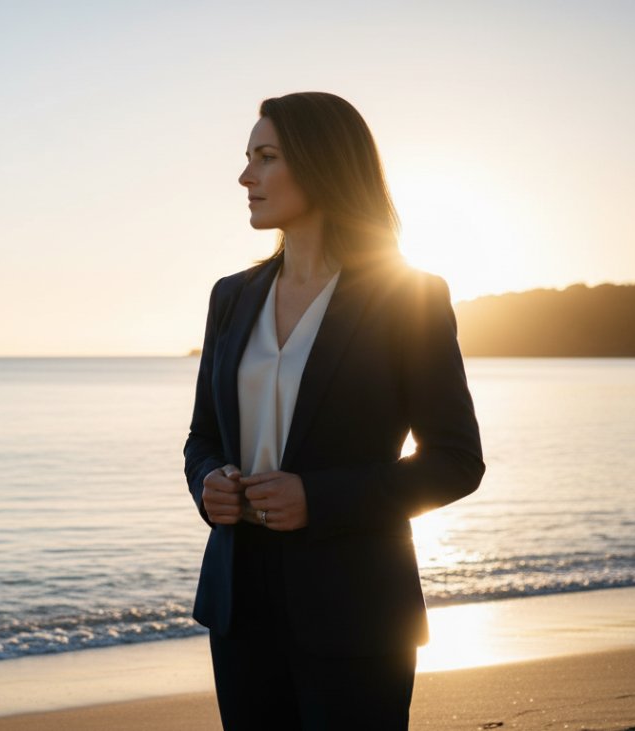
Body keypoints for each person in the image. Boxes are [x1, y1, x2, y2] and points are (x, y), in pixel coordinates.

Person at [183, 91, 485, 730]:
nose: (245, 177)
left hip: (356, 608)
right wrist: (208, 483)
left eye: (265, 157)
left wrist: (317, 498)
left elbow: (456, 461)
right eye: (247, 159)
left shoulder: (410, 296)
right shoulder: (231, 298)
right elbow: (202, 437)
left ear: (322, 163)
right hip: (239, 605)